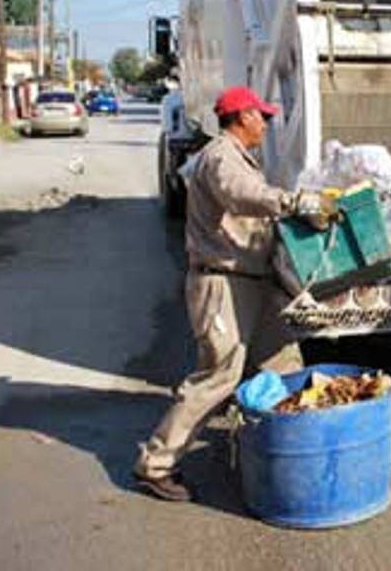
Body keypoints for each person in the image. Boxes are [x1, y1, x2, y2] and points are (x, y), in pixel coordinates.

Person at [133, 86, 333, 502]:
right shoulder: (221, 156)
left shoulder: (242, 159)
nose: (267, 123)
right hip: (221, 285)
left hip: (252, 285)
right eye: (263, 116)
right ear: (243, 117)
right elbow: (242, 196)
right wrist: (296, 202)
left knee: (284, 365)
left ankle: (278, 451)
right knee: (218, 375)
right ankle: (156, 464)